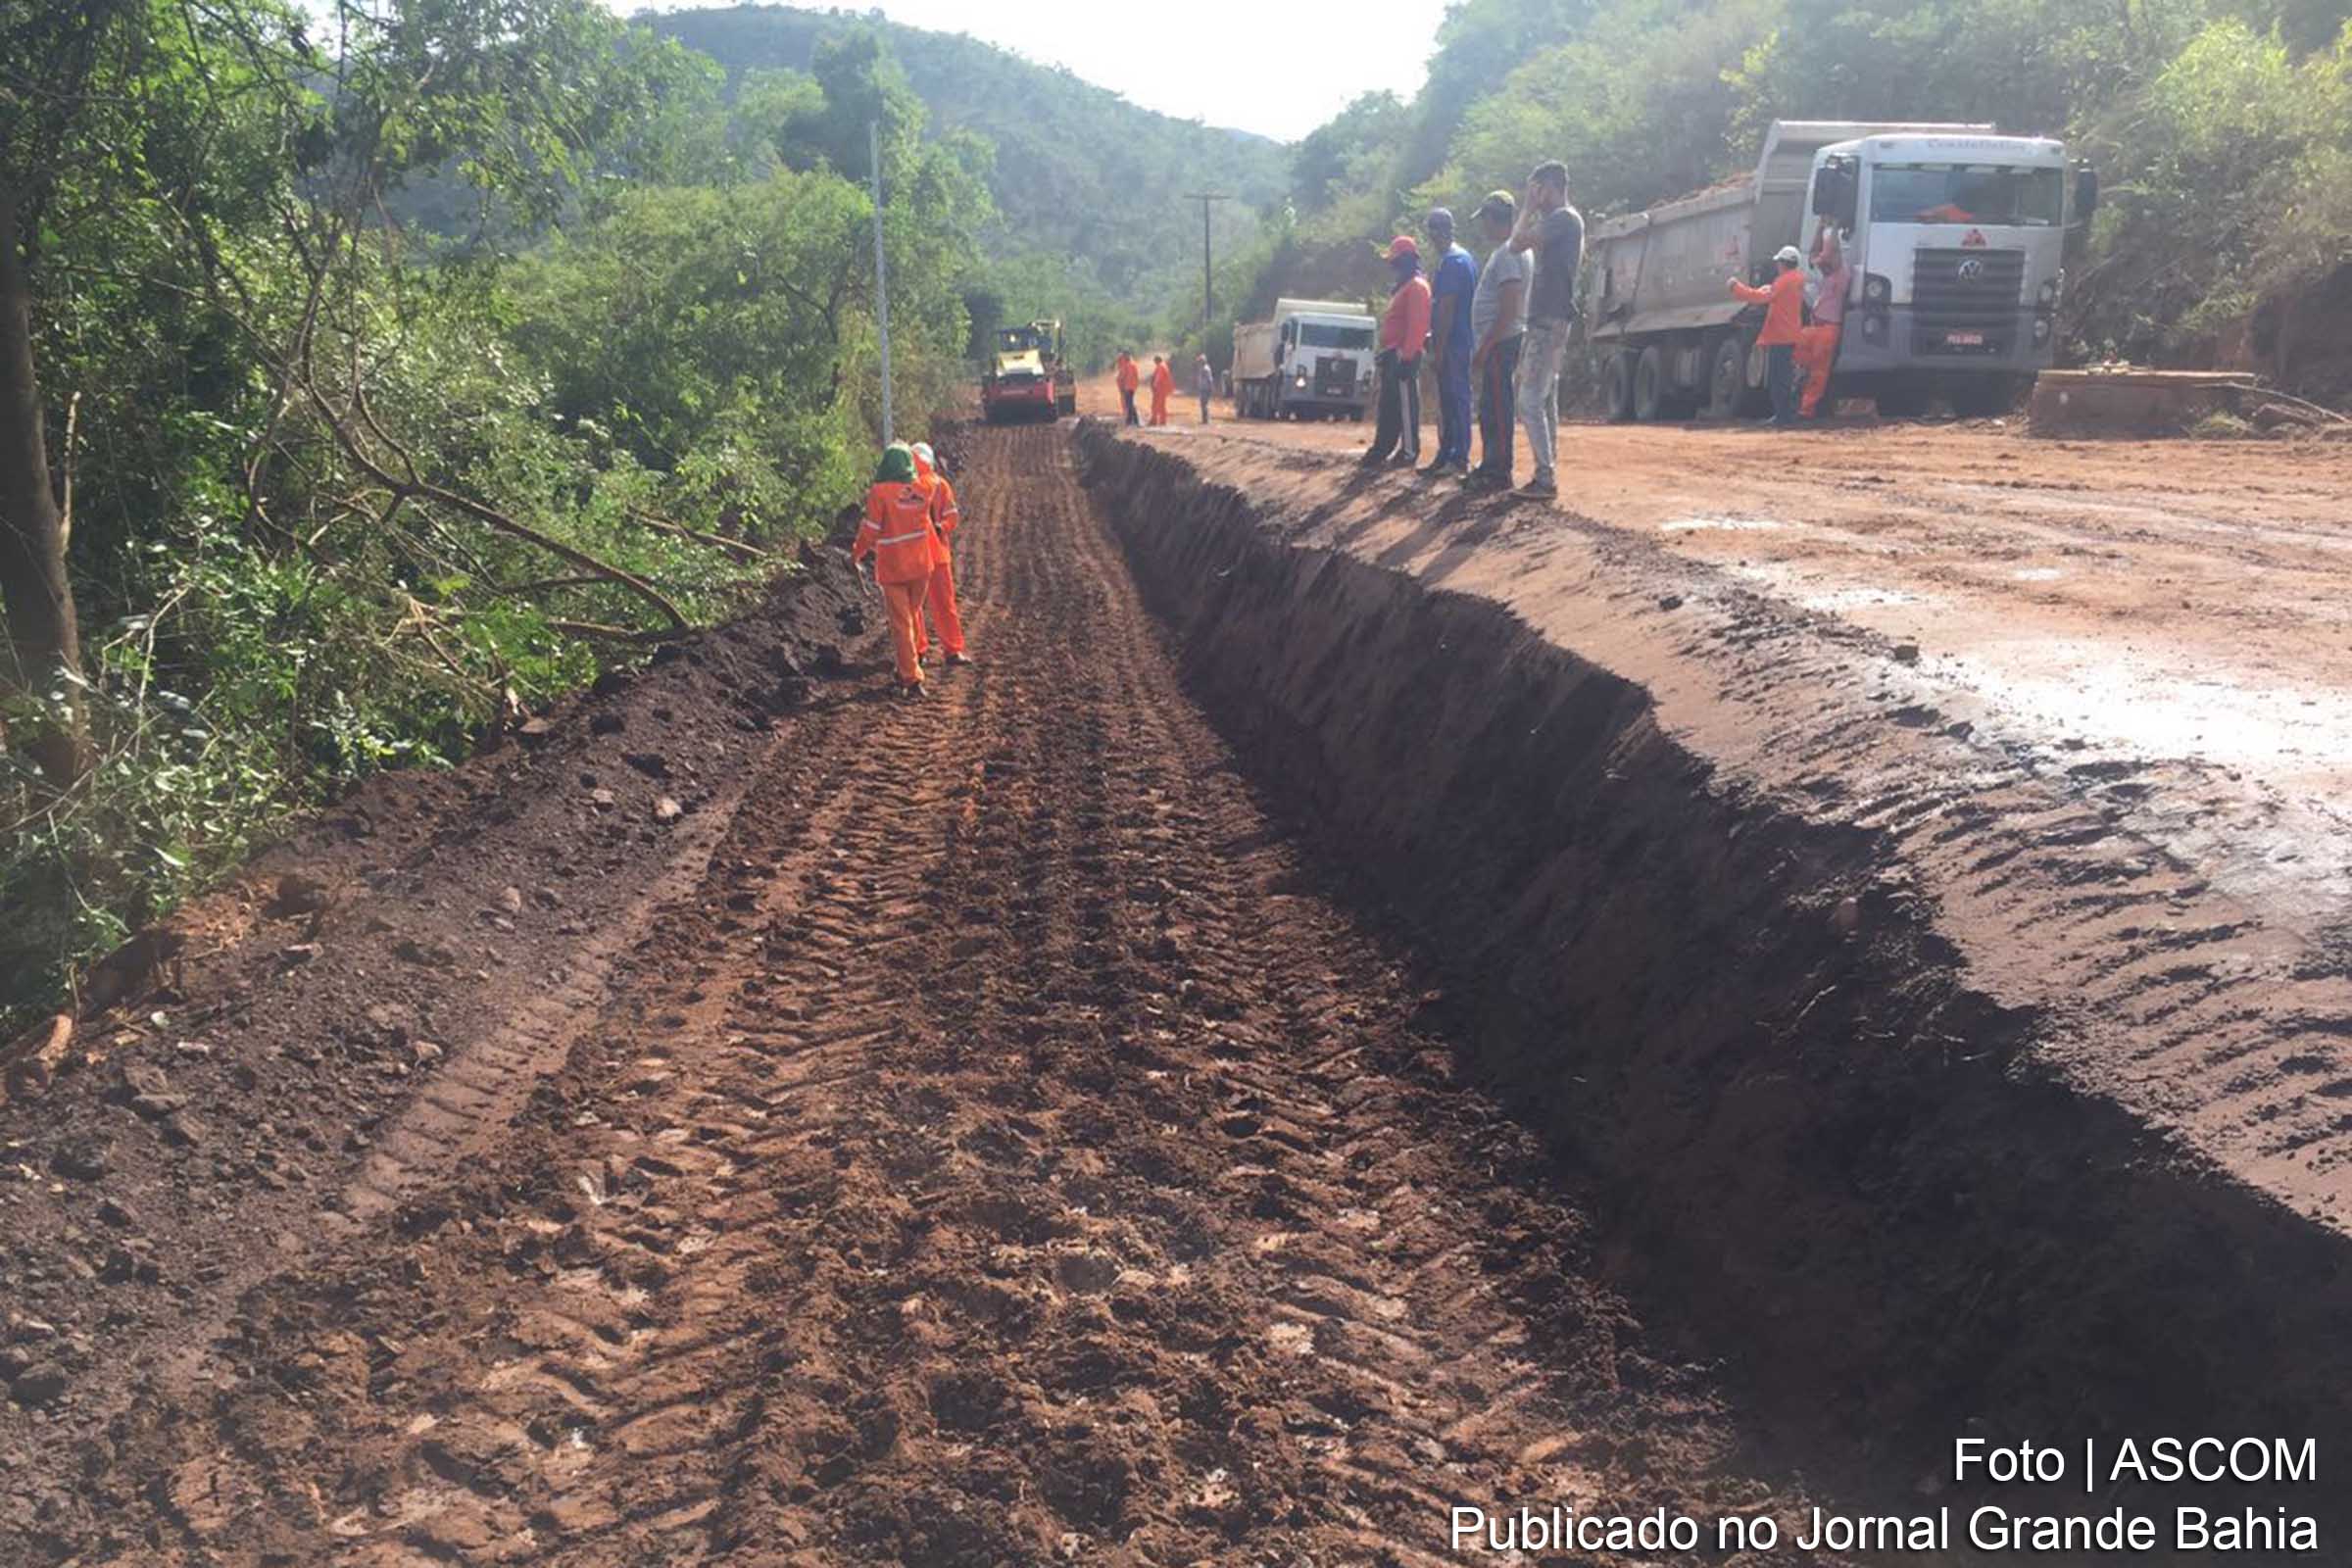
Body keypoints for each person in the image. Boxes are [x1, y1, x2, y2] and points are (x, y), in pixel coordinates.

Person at [1508, 161, 1584, 498]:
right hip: (1552, 318)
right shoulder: (1561, 221)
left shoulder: (1563, 219)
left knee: (1528, 400)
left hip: (1548, 319)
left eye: (1538, 189)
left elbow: (1515, 244)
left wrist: (1526, 208)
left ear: (1551, 187)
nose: (1535, 195)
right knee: (1545, 395)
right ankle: (1547, 469)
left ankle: (1545, 476)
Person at [851, 443, 941, 700]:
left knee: (901, 624)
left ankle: (911, 678)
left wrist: (857, 553)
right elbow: (931, 477)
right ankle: (908, 666)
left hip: (893, 568)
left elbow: (870, 529)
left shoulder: (880, 493)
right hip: (921, 566)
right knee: (911, 617)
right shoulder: (925, 488)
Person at [1465, 190, 1528, 491]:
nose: (1483, 226)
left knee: (1498, 408)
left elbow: (1509, 307)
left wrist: (1486, 345)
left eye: (1484, 220)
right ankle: (1491, 463)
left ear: (1494, 218)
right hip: (1499, 341)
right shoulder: (1510, 250)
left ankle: (1499, 470)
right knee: (1490, 406)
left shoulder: (1508, 253)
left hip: (1502, 342)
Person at [1360, 235, 1430, 468]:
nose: (1392, 267)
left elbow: (1418, 325)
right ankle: (1382, 448)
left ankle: (1409, 451)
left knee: (1406, 405)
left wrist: (1407, 356)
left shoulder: (1417, 288)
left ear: (1405, 261)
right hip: (1393, 353)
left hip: (1404, 354)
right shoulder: (1403, 288)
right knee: (1388, 406)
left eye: (1395, 262)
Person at [1420, 207, 1478, 478]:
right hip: (1457, 340)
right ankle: (1446, 455)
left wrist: (1438, 350)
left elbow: (1446, 309)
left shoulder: (1453, 262)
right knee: (1449, 400)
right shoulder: (1460, 259)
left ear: (1434, 232)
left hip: (1455, 342)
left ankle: (1458, 457)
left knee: (1456, 399)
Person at [1729, 244, 1807, 426]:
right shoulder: (1796, 279)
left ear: (1784, 263)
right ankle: (1784, 415)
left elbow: (1760, 298)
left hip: (1781, 336)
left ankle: (1783, 417)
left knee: (1778, 379)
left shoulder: (1784, 281)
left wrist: (1736, 288)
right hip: (1788, 334)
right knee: (1783, 377)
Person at [909, 441, 969, 667]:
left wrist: (940, 527)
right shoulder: (934, 485)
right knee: (939, 605)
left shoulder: (925, 486)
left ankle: (923, 650)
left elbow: (951, 517)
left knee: (919, 607)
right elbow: (952, 517)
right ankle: (944, 650)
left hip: (921, 555)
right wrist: (942, 527)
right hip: (928, 555)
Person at [1795, 224, 1849, 419]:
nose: (1822, 261)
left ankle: (1807, 409)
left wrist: (1834, 228)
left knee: (1818, 372)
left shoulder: (1841, 274)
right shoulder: (1826, 274)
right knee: (1799, 363)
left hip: (1828, 329)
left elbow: (1831, 253)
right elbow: (1814, 255)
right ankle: (1800, 403)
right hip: (1814, 327)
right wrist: (1819, 227)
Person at [1114, 350, 1141, 425]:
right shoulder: (1129, 364)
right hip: (1128, 386)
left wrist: (1121, 382)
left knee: (1129, 404)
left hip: (1129, 387)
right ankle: (1130, 421)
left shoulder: (1130, 365)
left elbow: (1125, 376)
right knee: (1129, 403)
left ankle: (1134, 421)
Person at [1149, 354, 1174, 426]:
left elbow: (1158, 378)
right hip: (1162, 389)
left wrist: (1154, 386)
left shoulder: (1161, 366)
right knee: (1161, 405)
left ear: (1157, 361)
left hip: (1160, 389)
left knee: (1156, 405)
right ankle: (1162, 421)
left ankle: (1154, 420)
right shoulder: (1163, 366)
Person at [1195, 354, 1215, 423]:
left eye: (1200, 361)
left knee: (1205, 404)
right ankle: (1204, 419)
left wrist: (1211, 388)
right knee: (1203, 404)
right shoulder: (1203, 368)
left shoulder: (1205, 369)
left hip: (1205, 389)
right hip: (1203, 388)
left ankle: (1206, 420)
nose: (1199, 363)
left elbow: (1210, 379)